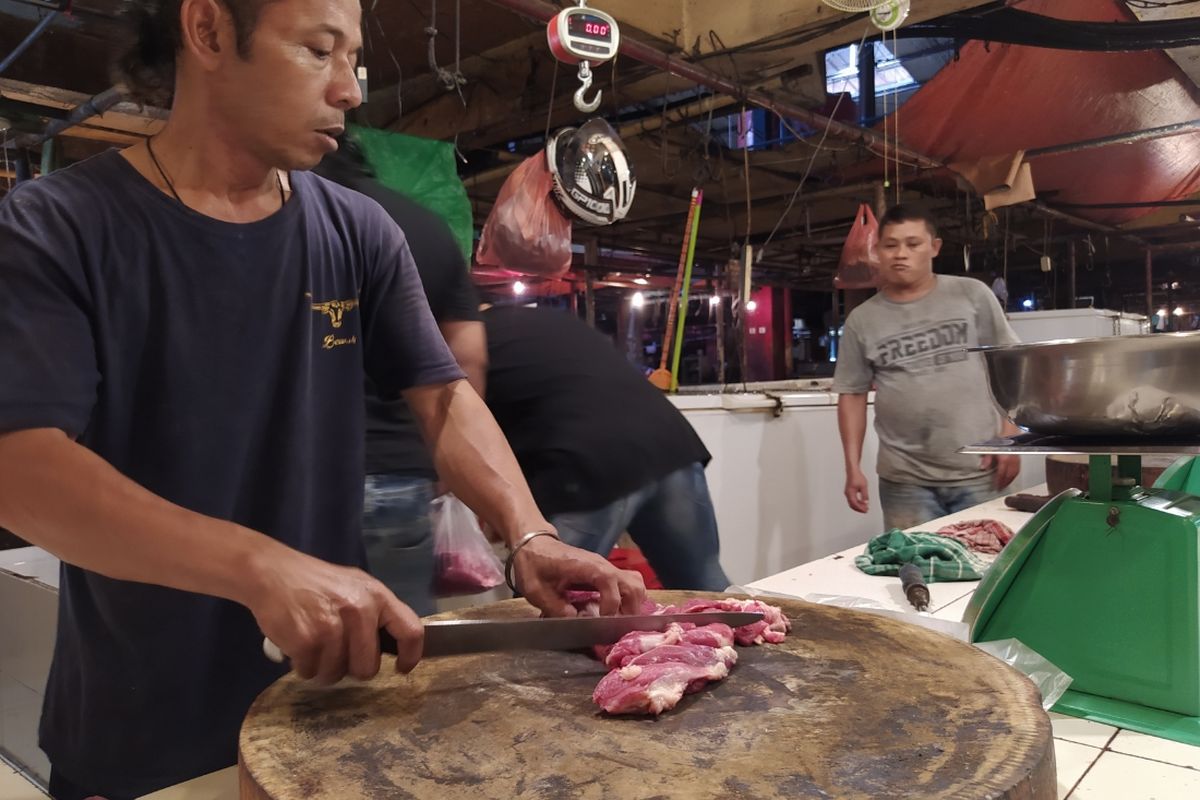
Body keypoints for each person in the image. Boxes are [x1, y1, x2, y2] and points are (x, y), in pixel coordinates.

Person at [0, 1, 643, 798]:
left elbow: (442, 397)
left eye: (354, 61)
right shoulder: (57, 225)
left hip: (325, 711)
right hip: (142, 727)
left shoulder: (359, 230)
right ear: (206, 31)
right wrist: (261, 568)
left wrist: (528, 533)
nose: (348, 91)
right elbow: (21, 468)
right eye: (317, 51)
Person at [314, 135, 485, 617]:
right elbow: (466, 360)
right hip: (397, 473)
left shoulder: (284, 220)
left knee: (303, 660)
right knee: (405, 647)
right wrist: (452, 462)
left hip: (303, 479)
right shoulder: (424, 228)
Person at [482, 305, 731, 592]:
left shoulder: (461, 343)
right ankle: (759, 630)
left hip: (592, 464)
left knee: (546, 602)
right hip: (670, 444)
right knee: (706, 590)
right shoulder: (541, 318)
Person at [834, 204, 1022, 532]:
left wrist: (1011, 436)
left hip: (978, 471)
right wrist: (852, 467)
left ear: (934, 247)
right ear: (877, 250)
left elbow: (1010, 364)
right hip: (904, 481)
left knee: (990, 571)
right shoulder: (862, 320)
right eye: (890, 245)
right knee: (916, 571)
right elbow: (852, 394)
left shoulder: (971, 295)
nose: (900, 254)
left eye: (913, 244)